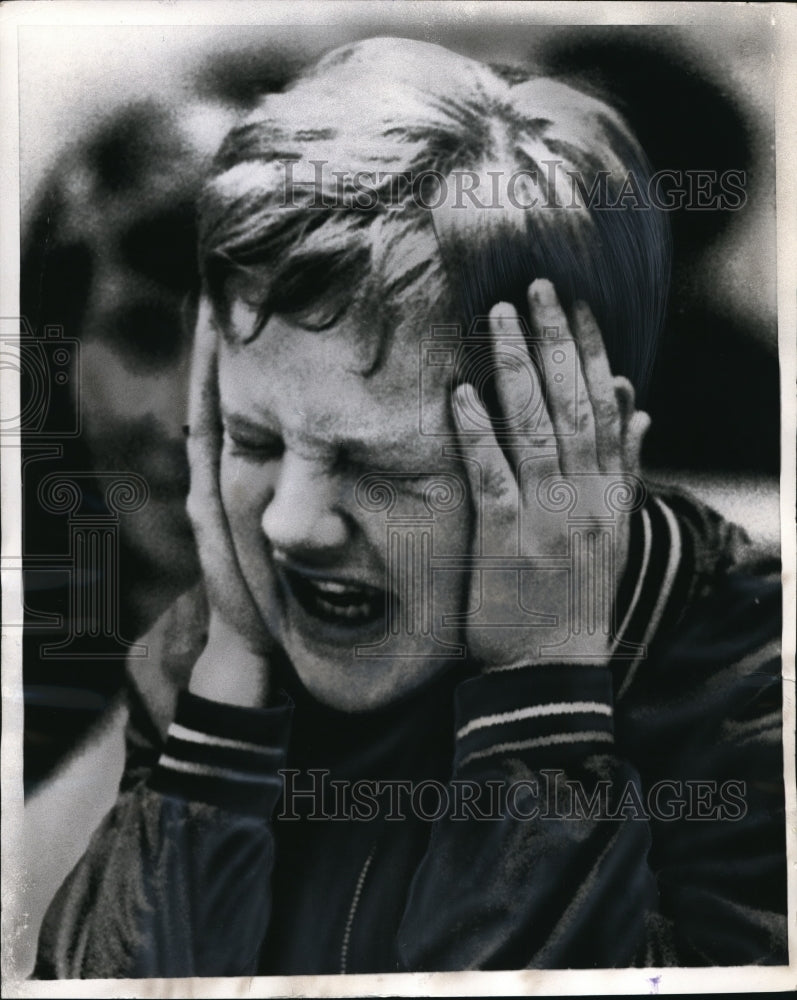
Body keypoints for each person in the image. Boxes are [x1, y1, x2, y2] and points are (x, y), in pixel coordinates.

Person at [34, 37, 786, 977]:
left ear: (568, 437)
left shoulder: (744, 696)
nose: (288, 525)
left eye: (381, 466)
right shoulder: (214, 648)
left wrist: (539, 709)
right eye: (255, 439)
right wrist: (221, 715)